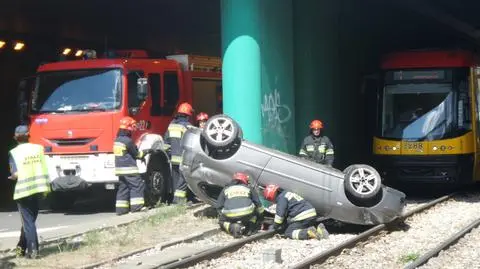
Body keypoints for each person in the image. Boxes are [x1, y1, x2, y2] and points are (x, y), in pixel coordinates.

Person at [9, 125, 51, 259]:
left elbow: (15, 173)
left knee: (28, 222)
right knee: (29, 221)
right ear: (29, 136)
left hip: (24, 191)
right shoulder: (38, 149)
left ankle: (33, 252)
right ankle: (20, 249)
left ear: (15, 138)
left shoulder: (14, 152)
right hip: (39, 189)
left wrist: (11, 177)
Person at [114, 116, 151, 215]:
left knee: (123, 188)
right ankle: (137, 207)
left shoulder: (117, 140)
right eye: (132, 128)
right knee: (137, 186)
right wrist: (146, 151)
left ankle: (121, 210)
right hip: (129, 169)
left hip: (119, 170)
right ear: (129, 128)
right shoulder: (128, 141)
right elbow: (137, 155)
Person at [263, 184, 329, 240]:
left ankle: (308, 232)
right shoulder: (286, 193)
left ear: (270, 197)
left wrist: (274, 227)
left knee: (288, 232)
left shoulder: (281, 199)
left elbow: (279, 217)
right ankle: (319, 229)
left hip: (302, 216)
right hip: (311, 214)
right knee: (301, 226)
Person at [216, 172, 264, 238]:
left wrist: (222, 215)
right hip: (247, 214)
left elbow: (219, 205)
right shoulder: (249, 188)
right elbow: (258, 204)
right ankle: (250, 228)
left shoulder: (226, 189)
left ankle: (232, 227)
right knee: (254, 214)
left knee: (221, 221)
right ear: (244, 180)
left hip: (230, 215)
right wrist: (261, 218)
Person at [164, 102, 194, 204]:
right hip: (183, 158)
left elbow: (166, 142)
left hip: (173, 158)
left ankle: (175, 200)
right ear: (188, 114)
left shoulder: (171, 125)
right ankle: (179, 200)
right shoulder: (187, 127)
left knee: (176, 179)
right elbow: (191, 143)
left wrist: (169, 154)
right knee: (184, 179)